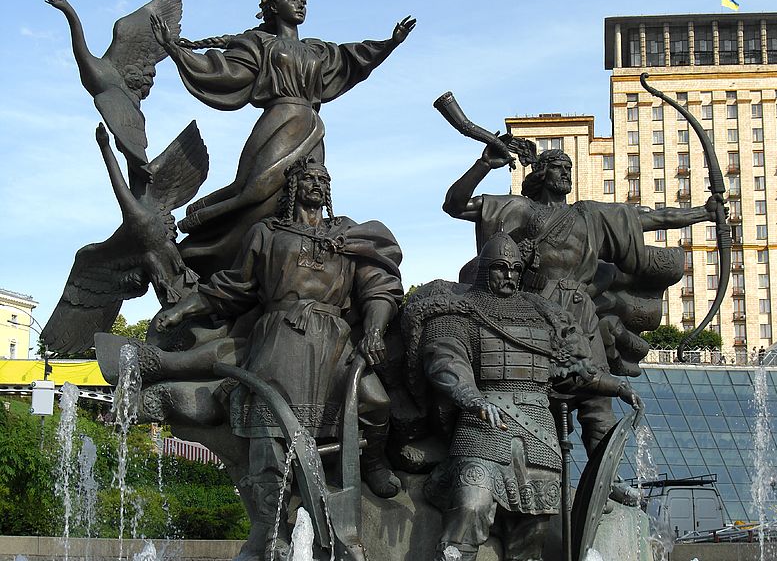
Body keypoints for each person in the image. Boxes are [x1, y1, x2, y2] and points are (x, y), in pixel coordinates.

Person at [154, 157, 404, 558]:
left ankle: (372, 461)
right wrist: (181, 310)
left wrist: (374, 329)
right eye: (308, 178)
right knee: (268, 432)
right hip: (278, 339)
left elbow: (379, 289)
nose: (317, 184)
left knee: (376, 402)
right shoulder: (266, 234)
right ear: (293, 188)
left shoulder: (348, 236)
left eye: (323, 178)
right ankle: (272, 530)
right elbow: (234, 288)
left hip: (333, 339)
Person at [443, 144, 719, 463]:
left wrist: (703, 213)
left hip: (579, 316)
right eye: (559, 167)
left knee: (597, 400)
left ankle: (604, 480)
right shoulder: (518, 209)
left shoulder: (590, 216)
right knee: (532, 393)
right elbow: (455, 204)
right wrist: (484, 164)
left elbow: (648, 217)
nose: (566, 173)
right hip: (530, 312)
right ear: (541, 173)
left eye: (569, 168)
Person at [151, 0, 415, 278]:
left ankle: (298, 268)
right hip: (278, 121)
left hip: (312, 127)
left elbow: (352, 59)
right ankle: (204, 244)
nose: (301, 3)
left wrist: (390, 43)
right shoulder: (259, 44)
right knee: (256, 195)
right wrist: (175, 50)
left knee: (303, 198)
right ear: (273, 6)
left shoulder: (317, 50)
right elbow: (227, 73)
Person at [404, 231, 641, 561]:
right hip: (483, 430)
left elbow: (573, 371)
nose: (509, 275)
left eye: (516, 268)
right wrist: (472, 397)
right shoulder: (458, 313)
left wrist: (616, 386)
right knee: (472, 504)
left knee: (533, 533)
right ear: (485, 269)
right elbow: (445, 360)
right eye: (501, 267)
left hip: (538, 437)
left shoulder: (542, 316)